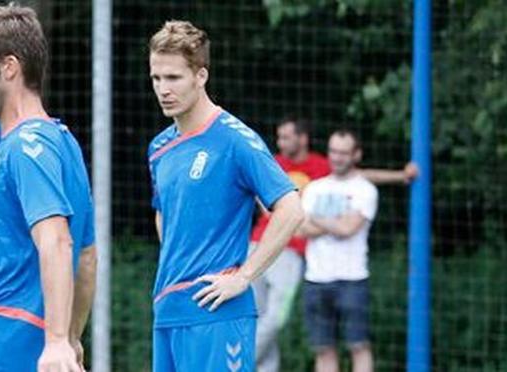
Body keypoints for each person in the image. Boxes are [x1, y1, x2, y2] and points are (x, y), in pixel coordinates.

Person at [0, 5, 96, 372]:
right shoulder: (63, 142)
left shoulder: (25, 147)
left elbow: (57, 240)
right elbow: (87, 259)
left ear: (9, 67)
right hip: (23, 344)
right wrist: (69, 336)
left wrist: (58, 341)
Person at [147, 20, 304, 372]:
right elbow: (164, 214)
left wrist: (244, 276)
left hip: (217, 314)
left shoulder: (235, 139)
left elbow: (291, 209)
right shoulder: (158, 148)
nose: (163, 89)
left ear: (200, 76)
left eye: (173, 78)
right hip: (168, 310)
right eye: (156, 78)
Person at [250, 119, 417, 372]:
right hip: (283, 258)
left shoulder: (335, 175)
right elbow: (305, 224)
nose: (281, 143)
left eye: (286, 137)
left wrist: (400, 176)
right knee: (271, 325)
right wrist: (332, 223)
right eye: (333, 152)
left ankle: (237, 362)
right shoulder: (296, 176)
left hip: (329, 268)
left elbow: (349, 222)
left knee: (352, 342)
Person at [298, 130, 382, 372]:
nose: (337, 157)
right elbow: (301, 229)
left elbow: (347, 229)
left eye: (344, 152)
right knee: (323, 349)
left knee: (359, 345)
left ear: (356, 155)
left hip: (353, 279)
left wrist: (315, 217)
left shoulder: (365, 190)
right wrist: (334, 223)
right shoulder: (315, 188)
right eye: (333, 151)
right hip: (316, 278)